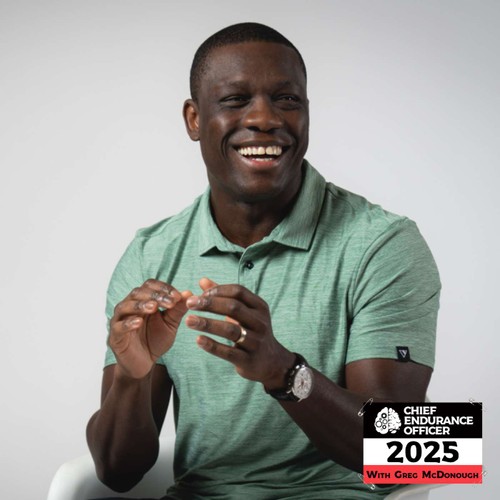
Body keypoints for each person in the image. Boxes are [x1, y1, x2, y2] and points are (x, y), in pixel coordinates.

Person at [86, 22, 440, 499]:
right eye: (235, 100)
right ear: (194, 119)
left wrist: (285, 373)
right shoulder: (151, 253)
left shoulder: (385, 242)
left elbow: (421, 455)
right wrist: (132, 378)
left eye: (287, 99)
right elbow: (117, 473)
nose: (265, 118)